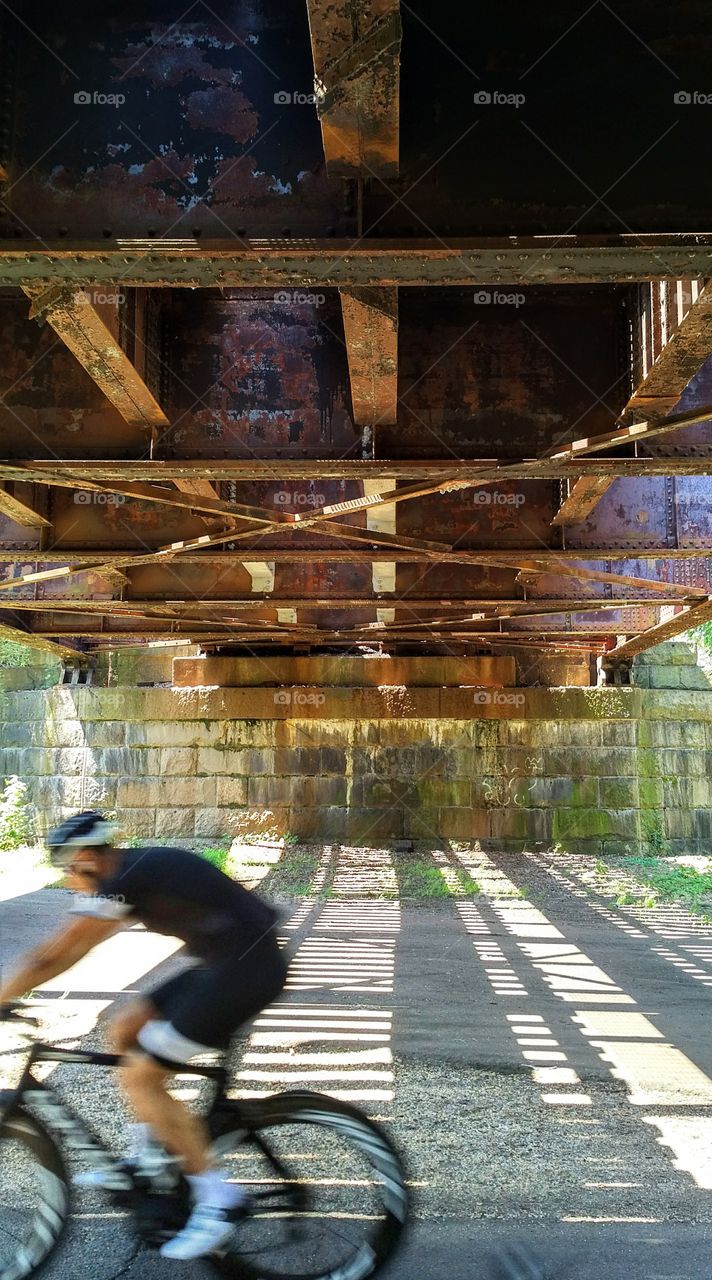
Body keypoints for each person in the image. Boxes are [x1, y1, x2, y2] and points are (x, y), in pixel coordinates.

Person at [0, 810, 288, 1261]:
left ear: (91, 859)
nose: (70, 882)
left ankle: (219, 1201)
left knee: (142, 1076)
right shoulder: (126, 874)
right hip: (224, 964)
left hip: (249, 970)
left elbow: (56, 955)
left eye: (69, 869)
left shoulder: (127, 876)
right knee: (126, 1026)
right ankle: (147, 1154)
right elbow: (65, 944)